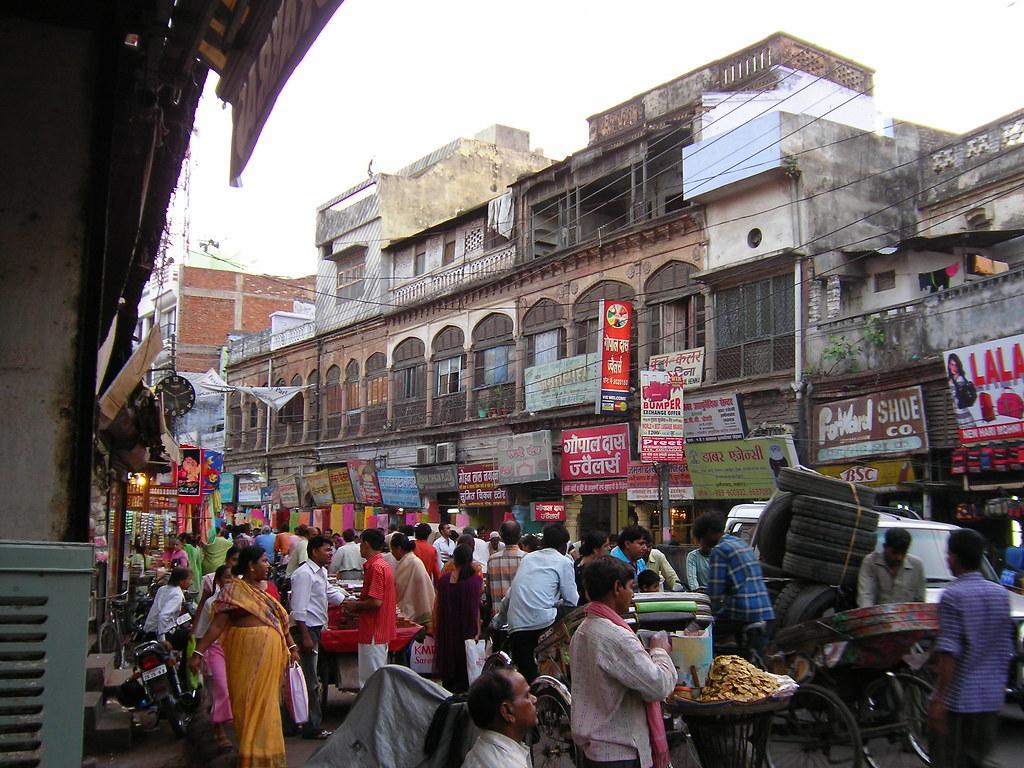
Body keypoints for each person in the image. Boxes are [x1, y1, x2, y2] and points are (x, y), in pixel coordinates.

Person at [189, 546, 299, 768]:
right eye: (264, 561)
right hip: (244, 654)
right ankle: (250, 755)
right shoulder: (233, 591)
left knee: (267, 705)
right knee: (246, 702)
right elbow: (217, 625)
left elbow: (280, 622)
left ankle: (267, 757)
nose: (268, 565)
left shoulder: (269, 589)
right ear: (251, 566)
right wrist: (198, 652)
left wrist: (292, 646)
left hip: (270, 653)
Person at [570, 556, 676, 768]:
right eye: (631, 587)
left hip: (598, 749)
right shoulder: (615, 636)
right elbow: (659, 686)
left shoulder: (583, 631)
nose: (633, 594)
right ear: (617, 588)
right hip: (620, 751)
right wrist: (659, 650)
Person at [928, 529, 1015, 768]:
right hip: (989, 698)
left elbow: (949, 653)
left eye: (948, 554)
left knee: (949, 760)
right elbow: (1005, 648)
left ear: (954, 558)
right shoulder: (1000, 594)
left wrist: (939, 700)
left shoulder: (952, 596)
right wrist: (999, 692)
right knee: (977, 760)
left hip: (958, 701)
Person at [495, 523, 579, 682]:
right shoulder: (563, 561)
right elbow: (571, 600)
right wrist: (553, 603)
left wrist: (498, 620)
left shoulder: (528, 558)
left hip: (516, 626)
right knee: (573, 612)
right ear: (563, 546)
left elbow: (511, 594)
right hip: (543, 622)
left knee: (526, 676)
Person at [289, 534, 346, 740]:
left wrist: (349, 601)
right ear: (314, 551)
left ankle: (305, 722)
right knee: (309, 681)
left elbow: (330, 592)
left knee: (310, 678)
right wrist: (305, 636)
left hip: (315, 629)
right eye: (327, 550)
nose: (331, 553)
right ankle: (311, 726)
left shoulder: (320, 571)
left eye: (331, 550)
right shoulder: (303, 574)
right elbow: (299, 609)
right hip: (306, 630)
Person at [704, 512, 775, 649]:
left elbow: (714, 592)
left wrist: (708, 611)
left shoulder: (720, 550)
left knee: (707, 629)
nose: (702, 543)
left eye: (701, 538)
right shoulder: (740, 543)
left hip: (744, 612)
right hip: (765, 610)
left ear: (708, 533)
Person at [341, 529, 397, 687]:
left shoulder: (376, 568)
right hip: (378, 629)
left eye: (361, 543)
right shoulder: (382, 565)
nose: (359, 546)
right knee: (375, 677)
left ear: (366, 544)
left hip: (373, 630)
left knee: (371, 680)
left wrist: (355, 605)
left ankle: (373, 710)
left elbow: (376, 602)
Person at [193, 564, 234, 750]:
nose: (231, 581)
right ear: (218, 581)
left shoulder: (241, 602)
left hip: (235, 651)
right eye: (227, 577)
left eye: (233, 577)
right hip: (215, 649)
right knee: (220, 690)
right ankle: (219, 729)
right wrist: (198, 655)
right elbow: (203, 632)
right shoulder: (212, 603)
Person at [463, 667, 538, 768]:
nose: (534, 699)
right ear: (507, 711)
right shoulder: (507, 763)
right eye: (527, 696)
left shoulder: (481, 750)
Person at [433, 544, 484, 693]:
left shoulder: (443, 581)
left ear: (454, 560)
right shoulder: (476, 582)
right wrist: (478, 630)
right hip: (466, 631)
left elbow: (437, 606)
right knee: (465, 668)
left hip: (447, 631)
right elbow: (476, 610)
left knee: (449, 671)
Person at [856, 527, 926, 608]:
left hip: (906, 618)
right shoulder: (870, 562)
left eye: (903, 553)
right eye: (895, 553)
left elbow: (920, 602)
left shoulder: (917, 565)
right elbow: (865, 596)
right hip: (876, 617)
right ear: (885, 547)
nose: (899, 558)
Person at [390, 533, 435, 627]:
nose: (392, 553)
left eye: (393, 549)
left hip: (414, 609)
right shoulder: (408, 561)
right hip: (408, 606)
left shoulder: (412, 562)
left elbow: (420, 589)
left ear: (399, 548)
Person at [143, 566, 192, 645]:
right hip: (158, 633)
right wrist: (162, 640)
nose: (191, 582)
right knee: (190, 635)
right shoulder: (177, 595)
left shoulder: (163, 589)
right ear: (181, 581)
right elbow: (163, 616)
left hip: (149, 629)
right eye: (189, 579)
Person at [487, 521, 527, 610]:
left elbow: (488, 592)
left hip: (498, 615)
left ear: (501, 537)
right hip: (521, 616)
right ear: (520, 536)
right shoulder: (527, 559)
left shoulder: (492, 560)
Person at [574, 530, 610, 604]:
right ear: (595, 550)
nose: (609, 548)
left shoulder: (603, 565)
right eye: (605, 546)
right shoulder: (579, 568)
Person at [686, 514, 717, 591]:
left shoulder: (719, 555)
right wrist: (697, 591)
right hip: (701, 594)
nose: (707, 544)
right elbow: (692, 579)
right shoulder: (693, 556)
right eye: (704, 541)